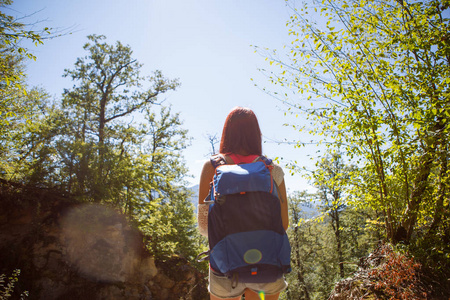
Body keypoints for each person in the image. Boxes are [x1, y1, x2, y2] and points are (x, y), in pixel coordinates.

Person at [197, 107, 289, 300]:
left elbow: (204, 226)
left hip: (224, 266)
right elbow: (284, 224)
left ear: (227, 132)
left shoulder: (212, 168)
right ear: (257, 134)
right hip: (268, 264)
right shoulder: (273, 170)